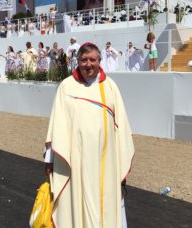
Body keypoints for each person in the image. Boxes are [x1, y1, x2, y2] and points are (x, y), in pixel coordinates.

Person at [44, 42, 134, 228]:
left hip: (105, 162)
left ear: (99, 61)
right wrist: (49, 161)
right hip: (76, 161)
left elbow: (122, 127)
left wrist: (121, 165)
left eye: (92, 59)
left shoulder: (110, 87)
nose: (88, 64)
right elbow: (56, 125)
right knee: (76, 202)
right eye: (84, 60)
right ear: (78, 62)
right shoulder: (66, 87)